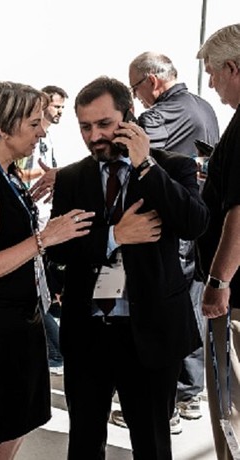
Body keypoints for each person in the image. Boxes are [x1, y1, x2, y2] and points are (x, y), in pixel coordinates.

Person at [48, 76, 208, 459]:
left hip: (150, 331)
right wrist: (114, 235)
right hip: (89, 332)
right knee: (84, 442)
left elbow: (194, 223)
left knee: (152, 443)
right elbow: (60, 249)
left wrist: (146, 166)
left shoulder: (173, 167)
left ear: (129, 118)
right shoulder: (71, 178)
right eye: (85, 126)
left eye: (104, 124)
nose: (94, 135)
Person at [0, 81, 93, 459]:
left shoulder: (7, 170)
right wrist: (46, 237)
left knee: (19, 415)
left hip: (19, 315)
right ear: (3, 128)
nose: (43, 131)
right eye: (33, 123)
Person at [108, 51, 220, 432]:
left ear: (152, 81)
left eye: (134, 88)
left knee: (161, 315)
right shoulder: (204, 106)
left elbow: (124, 150)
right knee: (185, 313)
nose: (136, 97)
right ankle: (188, 394)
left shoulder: (160, 115)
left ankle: (164, 406)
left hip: (167, 230)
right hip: (195, 229)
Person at [195, 23, 240, 460]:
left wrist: (218, 280)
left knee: (231, 409)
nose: (211, 83)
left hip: (235, 298)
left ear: (233, 67)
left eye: (213, 72)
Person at [19, 85, 69, 376]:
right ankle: (54, 348)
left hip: (46, 219)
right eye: (56, 106)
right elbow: (24, 174)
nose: (59, 111)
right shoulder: (34, 139)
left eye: (63, 107)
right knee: (37, 289)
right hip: (36, 220)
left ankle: (54, 349)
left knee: (45, 287)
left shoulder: (47, 138)